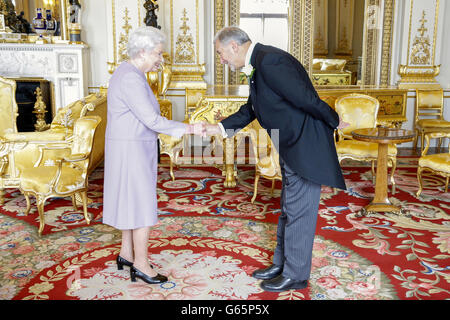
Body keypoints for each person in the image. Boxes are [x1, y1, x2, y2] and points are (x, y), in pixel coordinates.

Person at [206, 26, 347, 292]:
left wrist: (335, 120)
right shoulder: (259, 62)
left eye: (221, 53)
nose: (221, 59)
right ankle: (281, 265)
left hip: (306, 146)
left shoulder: (270, 61)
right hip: (291, 144)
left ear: (234, 46)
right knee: (288, 209)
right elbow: (253, 108)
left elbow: (306, 98)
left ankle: (296, 275)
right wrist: (221, 128)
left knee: (300, 213)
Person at [102, 26, 205, 285]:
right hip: (132, 150)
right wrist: (190, 128)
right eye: (158, 54)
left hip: (129, 147)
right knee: (140, 205)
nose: (160, 59)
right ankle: (141, 264)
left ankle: (127, 253)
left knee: (129, 202)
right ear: (143, 51)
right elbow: (152, 120)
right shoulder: (131, 78)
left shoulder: (126, 72)